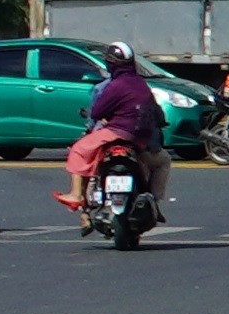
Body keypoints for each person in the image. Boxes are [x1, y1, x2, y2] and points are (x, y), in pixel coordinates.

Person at [67, 47, 168, 216]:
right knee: (163, 160)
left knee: (78, 150)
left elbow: (96, 113)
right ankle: (154, 202)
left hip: (117, 133)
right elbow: (156, 112)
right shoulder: (141, 84)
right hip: (140, 140)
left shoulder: (112, 86)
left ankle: (77, 195)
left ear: (110, 64)